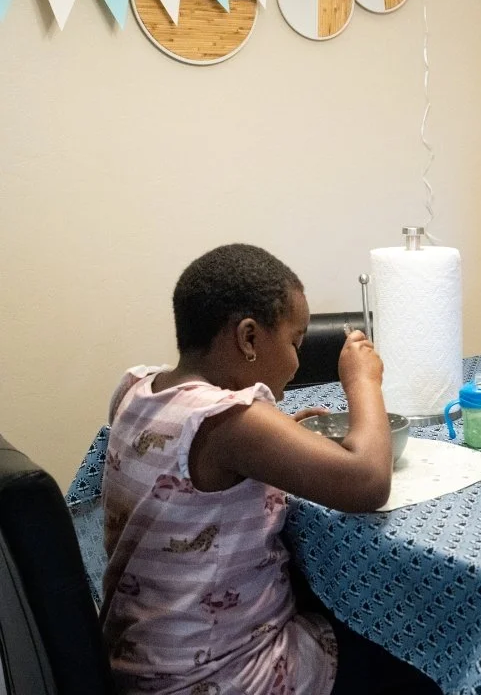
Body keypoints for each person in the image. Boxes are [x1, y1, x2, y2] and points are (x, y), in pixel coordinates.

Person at [100, 244, 441, 695]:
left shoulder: (136, 388)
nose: (298, 361)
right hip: (217, 678)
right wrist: (363, 381)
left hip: (137, 660)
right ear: (248, 338)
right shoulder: (232, 422)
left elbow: (199, 466)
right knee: (416, 645)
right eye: (295, 342)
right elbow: (368, 481)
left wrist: (275, 438)